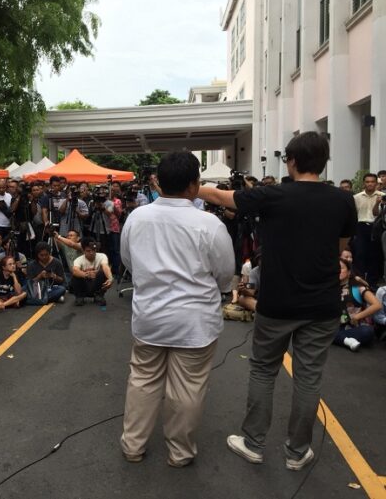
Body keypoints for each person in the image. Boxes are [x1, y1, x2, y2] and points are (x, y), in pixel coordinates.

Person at [197, 131, 357, 471]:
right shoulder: (342, 200)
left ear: (293, 161)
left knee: (264, 370)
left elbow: (222, 197)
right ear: (323, 162)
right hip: (322, 302)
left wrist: (187, 185)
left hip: (278, 301)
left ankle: (253, 443)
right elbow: (340, 246)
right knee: (308, 377)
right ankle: (298, 451)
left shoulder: (271, 196)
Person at [119, 151, 235, 467]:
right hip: (195, 321)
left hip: (149, 316)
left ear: (159, 182)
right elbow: (225, 273)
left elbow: (128, 261)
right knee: (187, 388)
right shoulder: (208, 224)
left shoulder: (137, 217)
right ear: (194, 185)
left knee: (142, 381)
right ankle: (180, 452)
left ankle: (133, 445)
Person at [335, 259, 381, 351]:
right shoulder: (329, 288)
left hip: (353, 327)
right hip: (334, 326)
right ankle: (346, 340)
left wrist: (357, 316)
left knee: (367, 332)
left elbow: (377, 305)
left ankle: (339, 338)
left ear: (349, 272)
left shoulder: (358, 287)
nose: (338, 270)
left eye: (341, 268)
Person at [352, 173, 383, 287]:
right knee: (359, 255)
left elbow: (378, 214)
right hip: (361, 227)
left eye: (372, 181)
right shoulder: (357, 197)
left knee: (375, 256)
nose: (370, 184)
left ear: (376, 183)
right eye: (367, 182)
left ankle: (373, 284)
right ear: (364, 183)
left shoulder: (382, 196)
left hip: (376, 227)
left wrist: (379, 203)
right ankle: (360, 283)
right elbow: (353, 214)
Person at [71, 238, 113, 306]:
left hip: (96, 285)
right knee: (75, 274)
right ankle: (80, 297)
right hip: (85, 285)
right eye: (88, 251)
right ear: (83, 251)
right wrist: (86, 275)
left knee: (102, 272)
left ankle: (99, 296)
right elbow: (75, 270)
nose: (91, 253)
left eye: (93, 250)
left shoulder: (102, 256)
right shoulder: (78, 260)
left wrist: (110, 278)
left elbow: (105, 266)